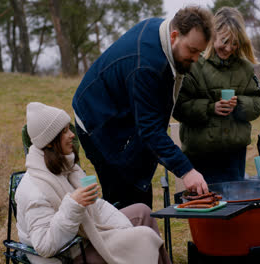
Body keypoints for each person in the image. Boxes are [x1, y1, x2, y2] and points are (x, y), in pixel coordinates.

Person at [72, 6, 214, 209]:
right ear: (174, 36)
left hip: (121, 105)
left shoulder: (163, 34)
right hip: (97, 118)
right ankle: (121, 230)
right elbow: (149, 129)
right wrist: (186, 171)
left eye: (200, 52)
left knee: (139, 184)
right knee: (124, 190)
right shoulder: (145, 65)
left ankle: (139, 223)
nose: (195, 59)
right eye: (192, 50)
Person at [16, 102, 171, 264]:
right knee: (145, 238)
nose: (72, 135)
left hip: (88, 234)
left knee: (143, 211)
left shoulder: (67, 167)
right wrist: (73, 205)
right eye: (65, 132)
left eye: (69, 129)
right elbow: (45, 246)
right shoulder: (35, 189)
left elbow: (96, 207)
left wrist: (121, 229)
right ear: (49, 141)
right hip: (66, 255)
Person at [173, 7, 260, 184]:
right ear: (213, 34)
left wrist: (239, 104)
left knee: (235, 206)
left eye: (235, 43)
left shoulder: (245, 68)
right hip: (201, 155)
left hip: (234, 155)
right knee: (205, 206)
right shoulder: (194, 63)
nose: (229, 48)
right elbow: (178, 108)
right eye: (225, 41)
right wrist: (210, 108)